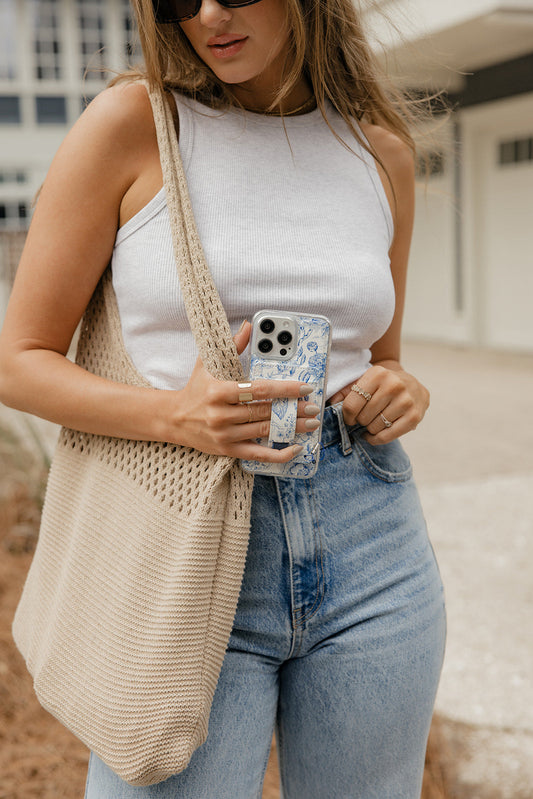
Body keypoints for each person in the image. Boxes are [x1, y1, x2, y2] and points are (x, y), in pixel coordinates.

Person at [0, 0, 446, 796]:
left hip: (370, 538)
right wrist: (174, 415)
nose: (207, 15)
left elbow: (382, 360)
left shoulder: (380, 154)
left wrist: (399, 389)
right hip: (180, 540)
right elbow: (18, 361)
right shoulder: (133, 125)